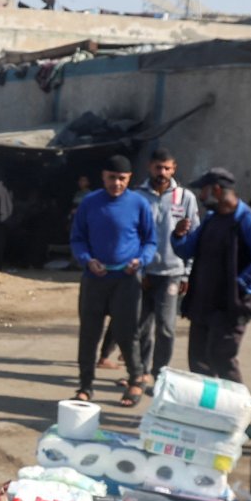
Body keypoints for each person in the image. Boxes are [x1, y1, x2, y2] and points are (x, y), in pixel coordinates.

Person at [171, 168, 251, 384]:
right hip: (202, 304)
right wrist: (178, 235)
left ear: (216, 190)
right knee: (199, 361)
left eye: (204, 190)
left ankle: (237, 411)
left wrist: (240, 286)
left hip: (229, 306)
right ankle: (209, 412)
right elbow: (186, 250)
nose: (201, 196)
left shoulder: (248, 219)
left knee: (221, 358)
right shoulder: (211, 219)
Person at [69, 155, 156, 406]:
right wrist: (87, 260)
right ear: (103, 177)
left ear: (129, 179)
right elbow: (77, 238)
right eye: (112, 178)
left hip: (126, 280)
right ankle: (85, 386)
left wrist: (141, 260)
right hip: (94, 279)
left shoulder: (139, 203)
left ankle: (135, 380)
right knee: (89, 334)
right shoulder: (90, 203)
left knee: (127, 333)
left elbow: (150, 240)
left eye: (122, 179)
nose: (116, 183)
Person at [130, 148, 198, 389]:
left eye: (167, 168)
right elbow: (132, 235)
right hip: (143, 272)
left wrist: (187, 272)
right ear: (150, 167)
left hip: (172, 273)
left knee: (166, 328)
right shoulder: (137, 196)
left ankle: (160, 374)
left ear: (174, 169)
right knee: (140, 327)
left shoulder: (185, 197)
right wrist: (139, 270)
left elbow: (193, 238)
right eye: (158, 168)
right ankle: (140, 372)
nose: (162, 173)